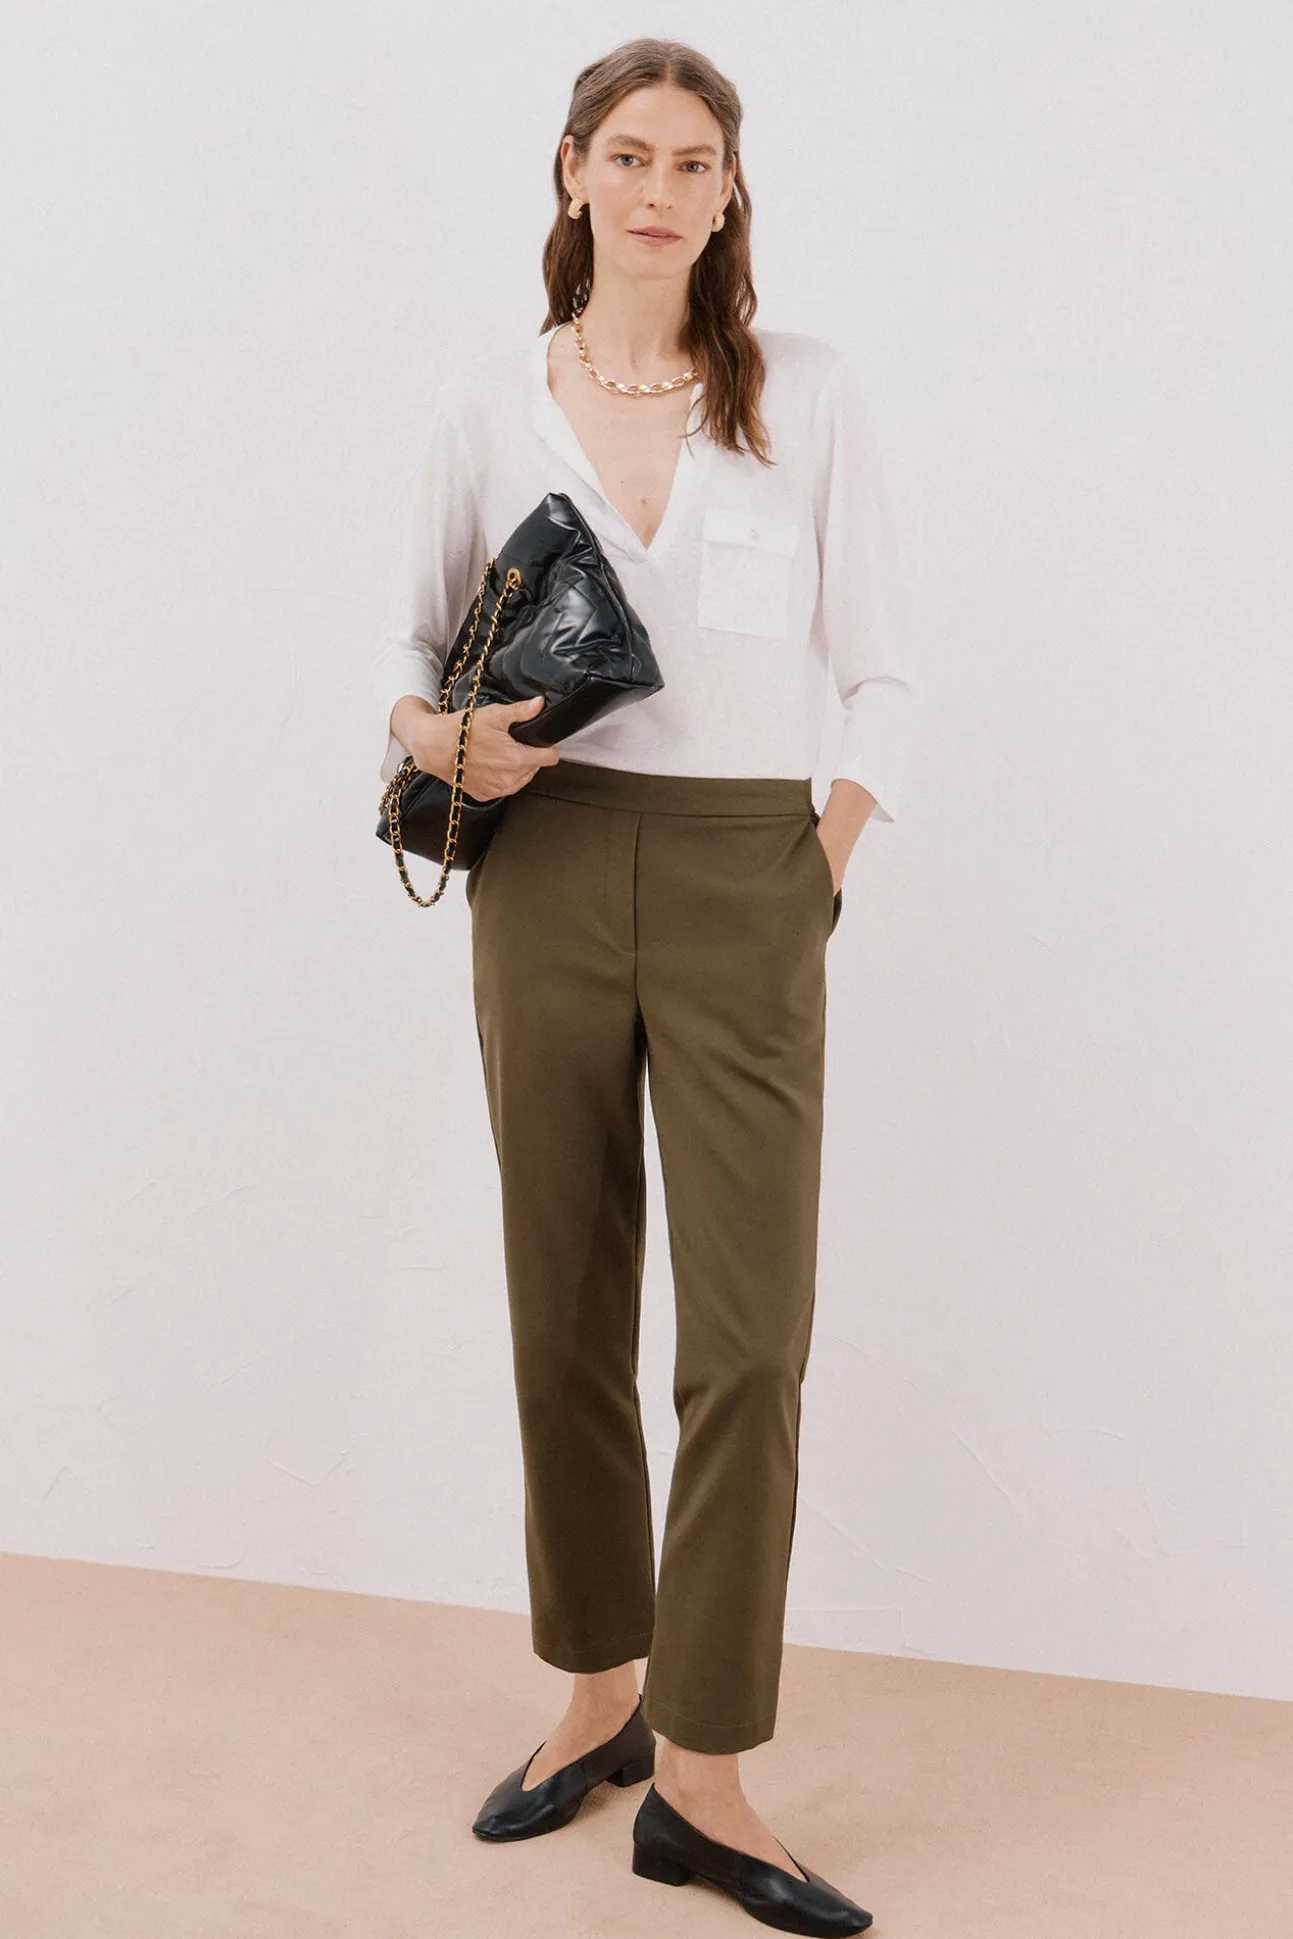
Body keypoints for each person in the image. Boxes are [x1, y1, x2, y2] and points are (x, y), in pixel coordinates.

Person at [370, 37, 918, 1937]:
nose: (661, 188)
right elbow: (402, 655)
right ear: (574, 172)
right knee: (563, 1296)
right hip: (541, 867)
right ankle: (599, 1688)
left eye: (694, 160)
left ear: (730, 188)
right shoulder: (489, 400)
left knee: (750, 1334)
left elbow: (887, 668)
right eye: (630, 154)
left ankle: (709, 1768)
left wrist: (816, 863)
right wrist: (447, 740)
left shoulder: (804, 395)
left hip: (748, 871)